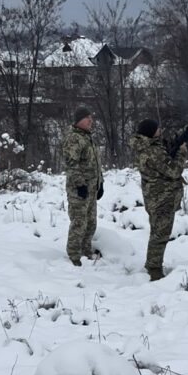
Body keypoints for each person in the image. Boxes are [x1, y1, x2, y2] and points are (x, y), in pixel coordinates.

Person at [129, 117, 188, 281]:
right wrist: (181, 152)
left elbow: (168, 146)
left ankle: (153, 264)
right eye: (157, 129)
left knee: (157, 233)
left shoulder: (147, 146)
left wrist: (187, 131)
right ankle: (154, 270)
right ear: (151, 132)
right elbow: (174, 171)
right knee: (160, 235)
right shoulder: (152, 151)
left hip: (155, 196)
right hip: (161, 198)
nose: (160, 131)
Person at [63, 104, 103, 266]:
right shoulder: (74, 138)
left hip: (92, 188)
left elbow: (95, 163)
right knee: (79, 222)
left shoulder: (87, 137)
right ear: (79, 120)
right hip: (78, 190)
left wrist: (100, 183)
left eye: (91, 117)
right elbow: (72, 165)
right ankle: (73, 254)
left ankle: (86, 249)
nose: (90, 120)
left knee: (91, 222)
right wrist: (80, 185)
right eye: (87, 118)